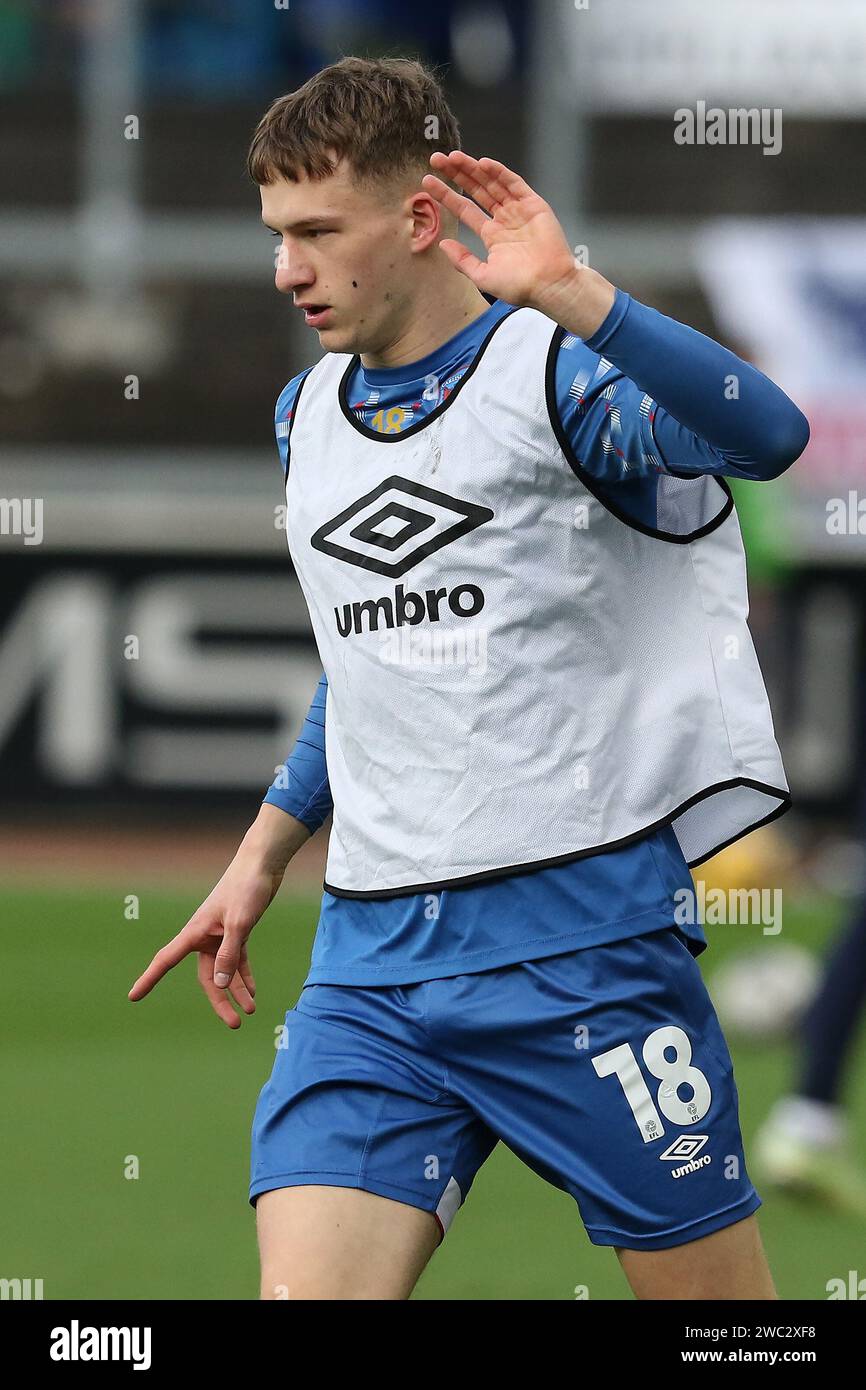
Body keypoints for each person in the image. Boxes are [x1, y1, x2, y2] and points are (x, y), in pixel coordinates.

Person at [129, 56, 811, 1300]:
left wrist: (575, 294)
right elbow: (372, 666)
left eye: (318, 232)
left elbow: (766, 433)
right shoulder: (306, 414)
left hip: (580, 945)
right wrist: (262, 852)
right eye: (277, 233)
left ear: (422, 220)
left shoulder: (556, 376)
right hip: (370, 960)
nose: (286, 269)